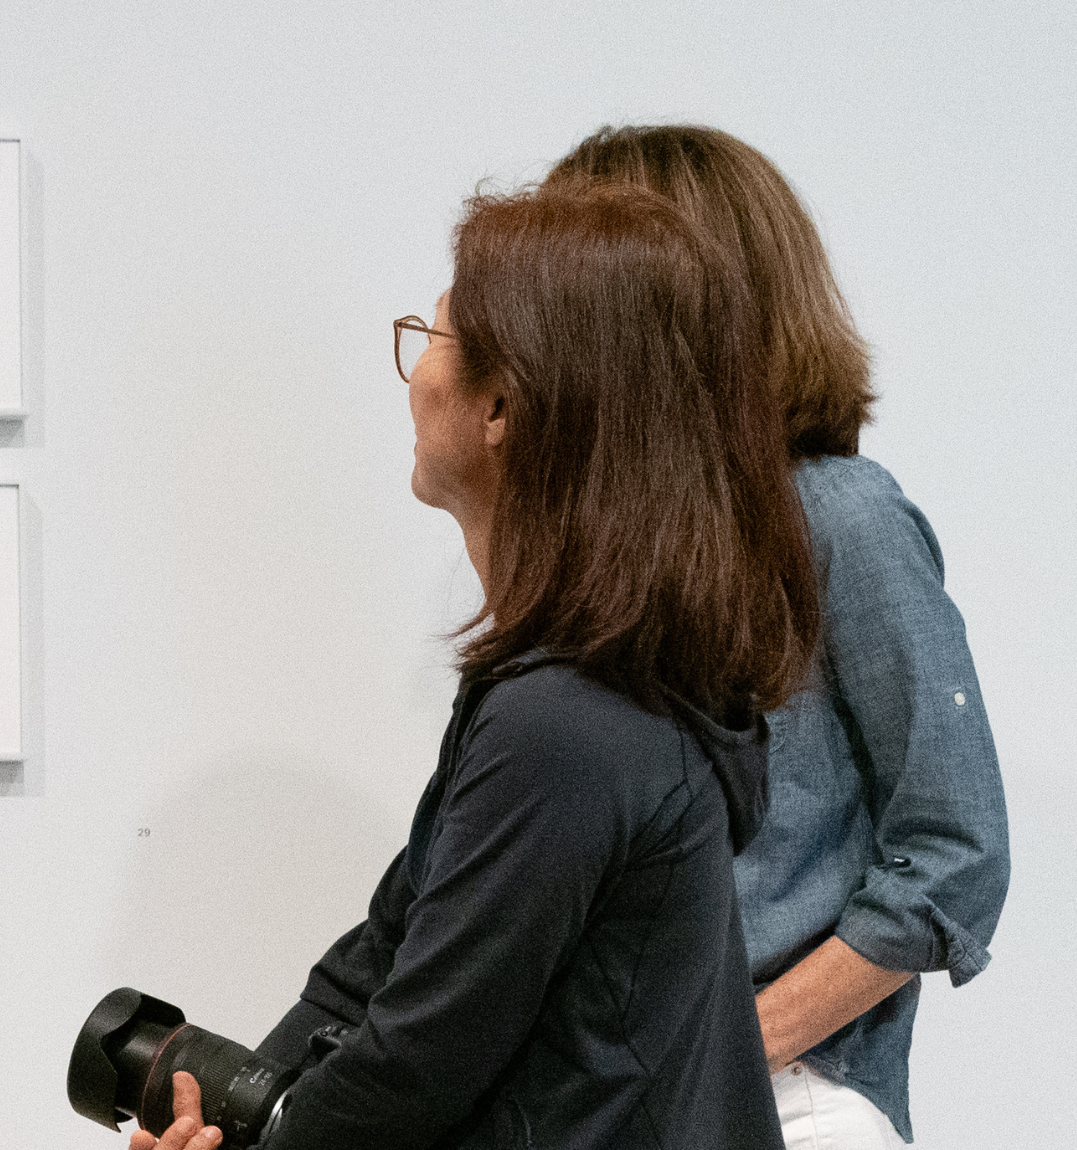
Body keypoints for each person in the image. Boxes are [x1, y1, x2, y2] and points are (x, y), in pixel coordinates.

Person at [149, 183, 822, 1150]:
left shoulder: (567, 721)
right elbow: (383, 954)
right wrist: (243, 1115)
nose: (415, 371)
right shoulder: (588, 687)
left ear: (502, 403)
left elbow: (418, 1060)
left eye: (437, 338)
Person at [542, 124, 1011, 1149]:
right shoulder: (597, 564)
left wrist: (734, 1046)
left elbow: (954, 854)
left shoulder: (846, 519)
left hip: (796, 1106)